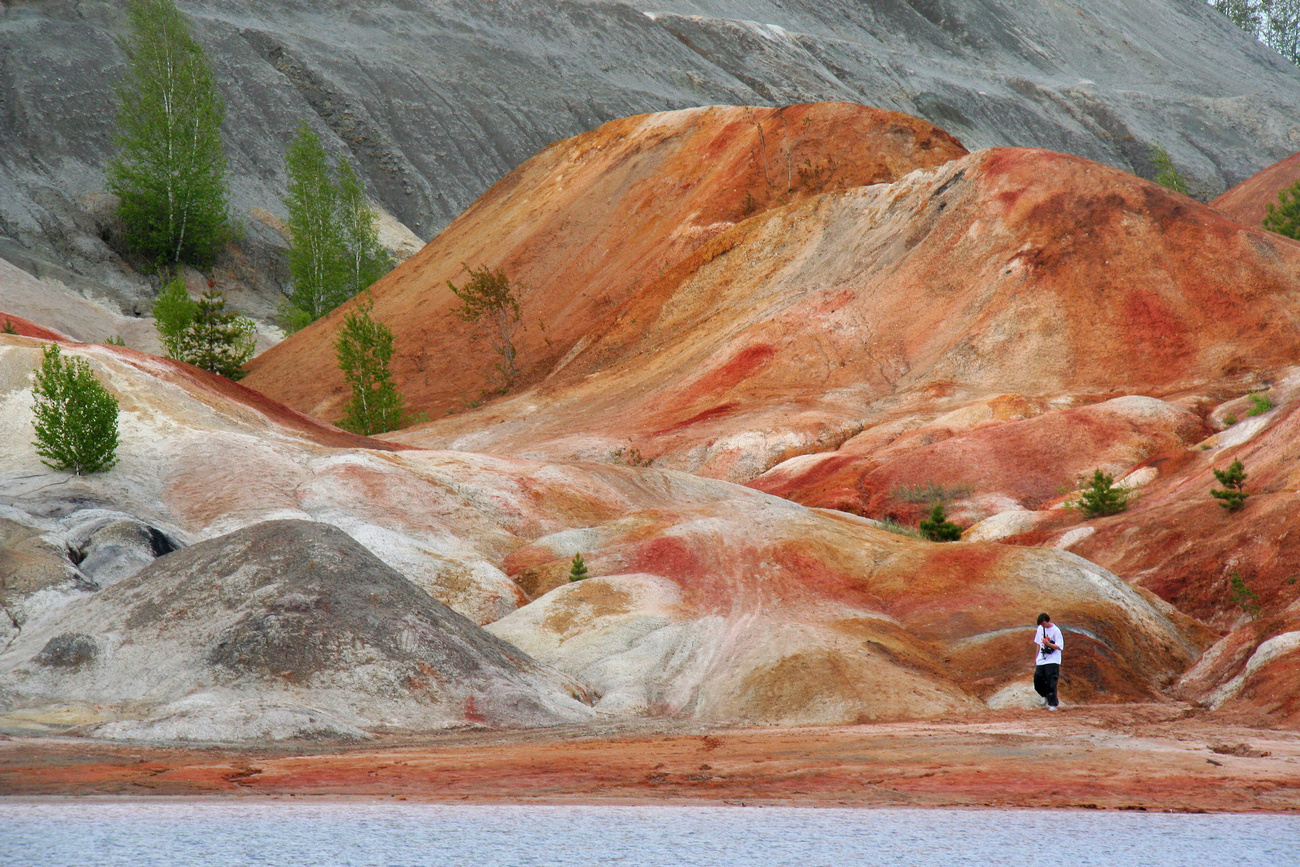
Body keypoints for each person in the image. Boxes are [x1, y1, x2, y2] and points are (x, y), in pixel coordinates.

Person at [1033, 612, 1063, 710]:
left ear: (1048, 621)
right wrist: (1036, 657)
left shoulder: (1056, 631)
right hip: (1042, 659)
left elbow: (1059, 646)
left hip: (1053, 659)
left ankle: (1053, 704)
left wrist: (1048, 644)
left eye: (1044, 624)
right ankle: (1045, 695)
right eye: (1041, 625)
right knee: (1037, 681)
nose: (1043, 626)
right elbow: (1038, 643)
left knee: (1051, 681)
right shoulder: (1040, 629)